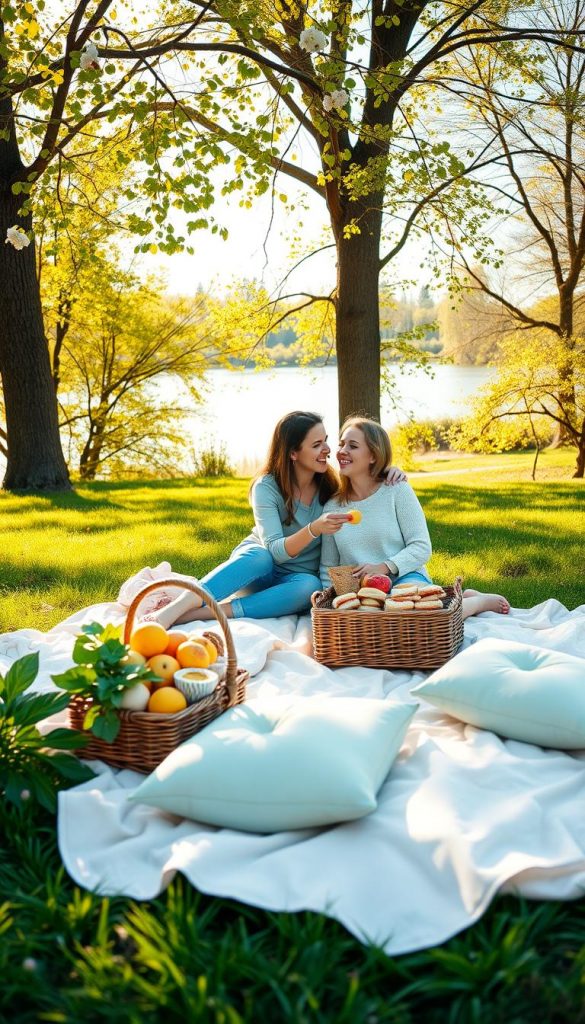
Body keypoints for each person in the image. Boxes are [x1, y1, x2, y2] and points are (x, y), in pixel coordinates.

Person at [146, 411, 406, 625]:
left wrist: (388, 470)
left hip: (293, 584)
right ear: (293, 453)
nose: (328, 449)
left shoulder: (330, 487)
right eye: (317, 445)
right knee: (260, 556)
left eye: (325, 440)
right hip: (257, 572)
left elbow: (363, 481)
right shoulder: (266, 487)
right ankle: (173, 610)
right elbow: (276, 552)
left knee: (309, 585)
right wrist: (314, 529)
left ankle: (200, 614)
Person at [320, 416, 510, 620]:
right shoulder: (332, 507)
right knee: (381, 621)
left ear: (373, 456)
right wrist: (329, 602)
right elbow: (328, 566)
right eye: (341, 444)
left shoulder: (396, 490)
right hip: (363, 592)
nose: (341, 451)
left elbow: (421, 546)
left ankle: (477, 602)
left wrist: (383, 567)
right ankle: (458, 600)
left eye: (353, 446)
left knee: (413, 615)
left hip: (405, 576)